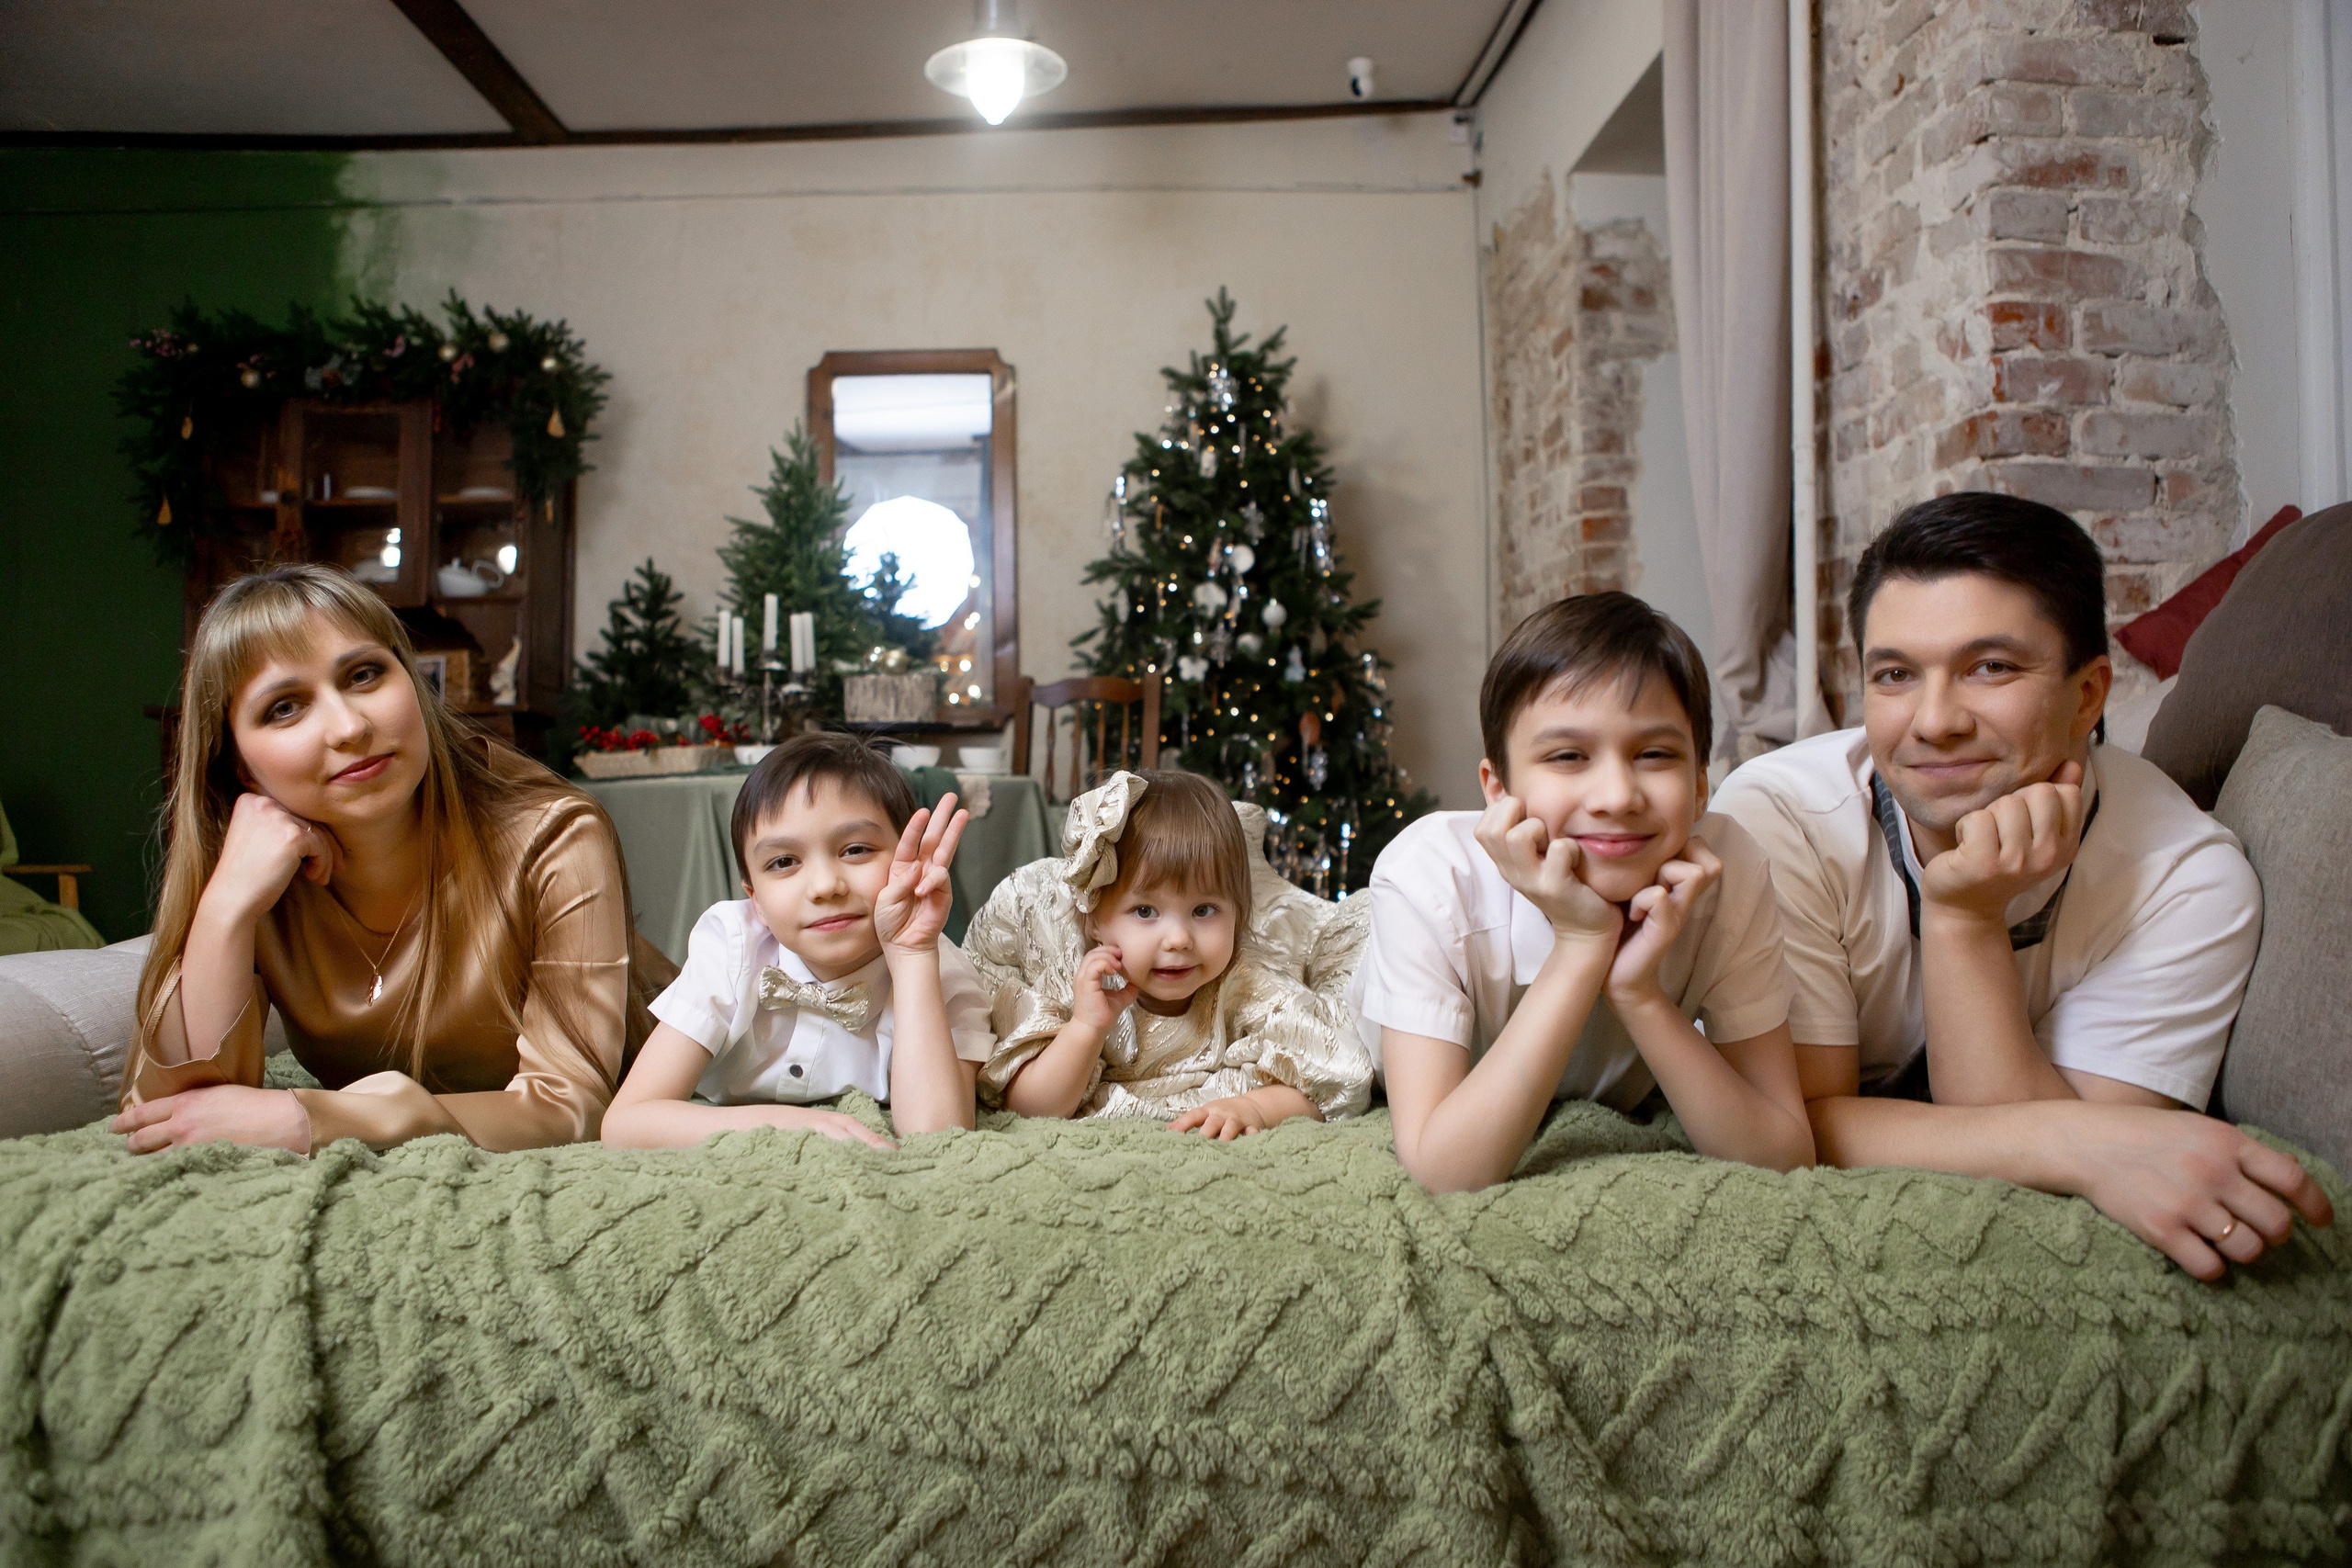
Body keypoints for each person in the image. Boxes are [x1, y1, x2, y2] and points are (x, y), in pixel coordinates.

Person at [1713, 491, 2335, 1279]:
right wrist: (2074, 1138)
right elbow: (1796, 1125)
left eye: (1990, 667)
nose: (1934, 720)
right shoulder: (1778, 818)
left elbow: (2049, 1193)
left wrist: (1963, 919)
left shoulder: (2189, 880)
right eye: (1896, 674)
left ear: (2088, 694)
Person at [114, 564, 658, 1154]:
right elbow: (182, 1113)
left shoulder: (553, 834)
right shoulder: (256, 867)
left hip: (692, 1076)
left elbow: (573, 1107)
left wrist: (322, 1120)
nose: (349, 727)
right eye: (285, 708)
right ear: (241, 766)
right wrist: (225, 910)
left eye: (364, 674)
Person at [1351, 593, 1815, 1192]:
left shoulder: (1731, 869)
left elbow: (1783, 1153)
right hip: (1356, 980)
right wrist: (1581, 942)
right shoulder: (1426, 877)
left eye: (1654, 754)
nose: (1617, 796)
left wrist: (1639, 992)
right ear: (1497, 788)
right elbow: (1445, 1168)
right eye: (1568, 756)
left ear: (1701, 786)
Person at [602, 733, 989, 1149]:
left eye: (856, 850)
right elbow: (627, 1122)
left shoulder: (943, 974)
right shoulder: (733, 947)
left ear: (907, 860)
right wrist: (780, 1124)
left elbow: (939, 1137)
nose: (825, 886)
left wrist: (912, 956)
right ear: (756, 902)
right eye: (784, 862)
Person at [963, 769, 1373, 1138]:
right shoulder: (1075, 980)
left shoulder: (1246, 983)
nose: (1178, 939)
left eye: (1204, 910)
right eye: (1145, 911)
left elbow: (1333, 1079)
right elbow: (1033, 1108)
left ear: (1238, 915)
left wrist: (1253, 1107)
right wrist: (1087, 1029)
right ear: (1094, 920)